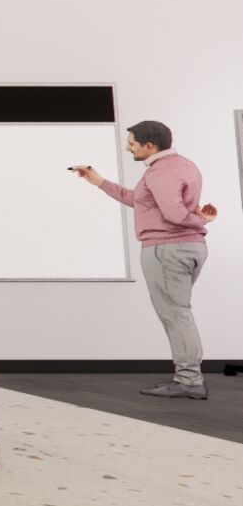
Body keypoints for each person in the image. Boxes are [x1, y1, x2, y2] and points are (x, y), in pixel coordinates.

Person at [75, 120, 217, 399]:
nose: (129, 148)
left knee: (175, 314)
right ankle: (189, 376)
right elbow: (141, 200)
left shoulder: (160, 173)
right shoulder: (184, 165)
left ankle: (189, 380)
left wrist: (200, 220)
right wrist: (100, 182)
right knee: (178, 311)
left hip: (167, 249)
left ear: (149, 145)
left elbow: (174, 214)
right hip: (187, 247)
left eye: (132, 144)